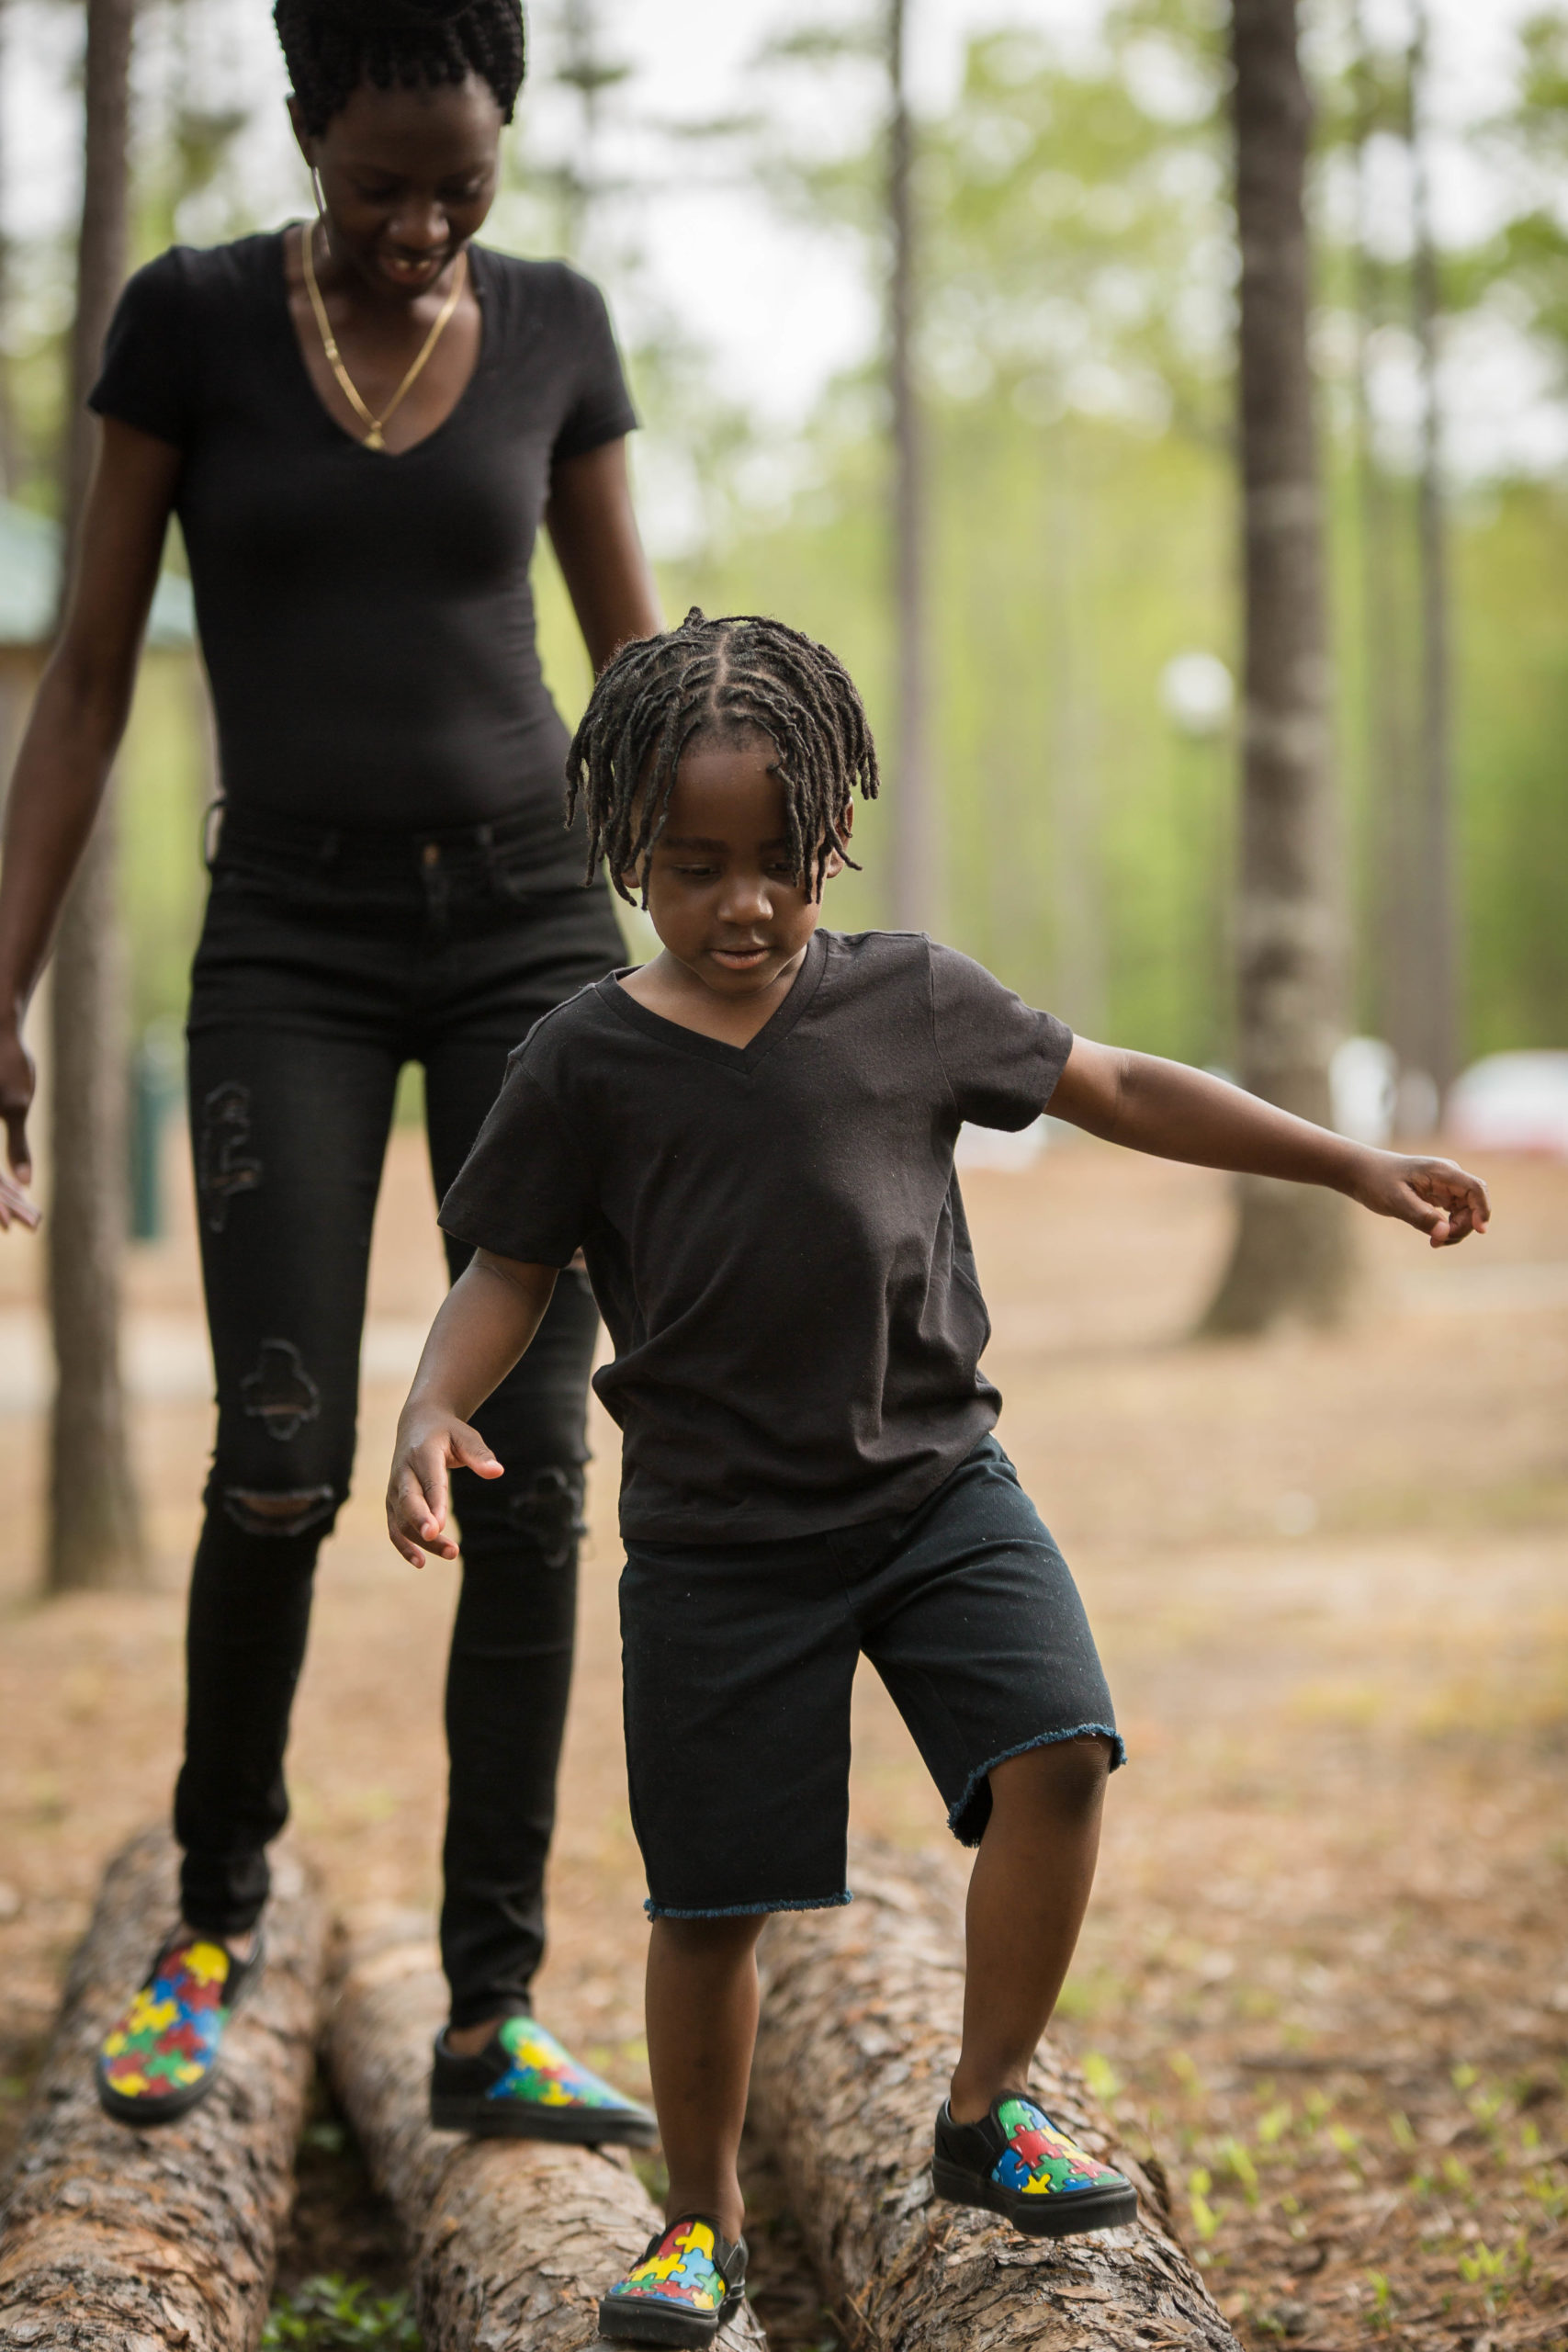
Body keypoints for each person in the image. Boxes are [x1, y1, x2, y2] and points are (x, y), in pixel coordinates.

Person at [388, 610, 1491, 2348]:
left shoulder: (907, 997)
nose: (739, 904)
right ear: (630, 858)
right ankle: (700, 2224)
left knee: (1059, 1753)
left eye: (774, 865)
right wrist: (426, 1410)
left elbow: (1117, 1083)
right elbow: (510, 1270)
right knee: (713, 1903)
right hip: (717, 1547)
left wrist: (1346, 1163)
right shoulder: (583, 1058)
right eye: (691, 869)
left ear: (828, 843)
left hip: (933, 1490)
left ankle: (987, 2114)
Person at [0, 0, 664, 2140]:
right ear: (304, 133)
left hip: (537, 935)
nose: (419, 224)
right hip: (283, 931)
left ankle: (495, 2008)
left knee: (536, 1472)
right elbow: (89, 676)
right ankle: (211, 1925)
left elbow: (635, 676)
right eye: (378, 182)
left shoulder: (558, 322)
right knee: (275, 1455)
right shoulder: (188, 323)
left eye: (458, 184)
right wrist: (0, 987)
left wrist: (732, 952)